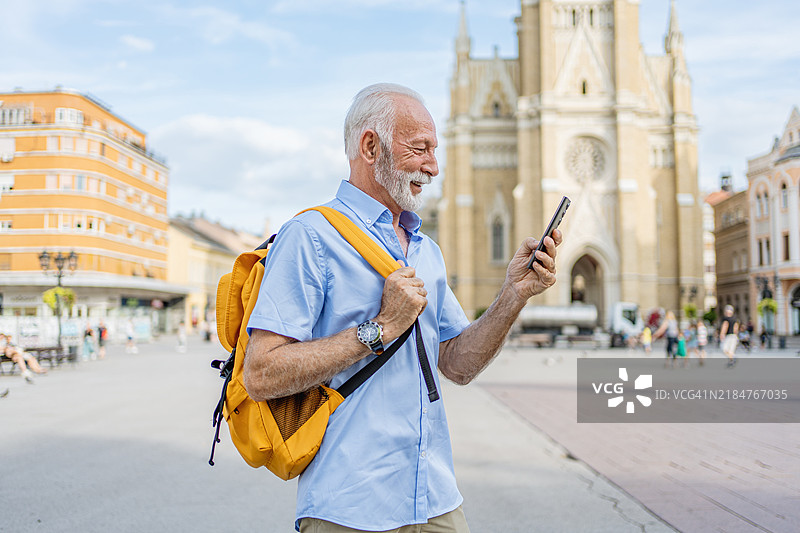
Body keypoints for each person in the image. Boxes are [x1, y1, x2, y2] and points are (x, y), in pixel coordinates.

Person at [243, 83, 561, 533]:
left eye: (435, 150)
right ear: (370, 146)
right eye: (420, 148)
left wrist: (513, 295)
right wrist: (378, 328)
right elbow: (260, 374)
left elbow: (457, 364)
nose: (433, 166)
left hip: (436, 501)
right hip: (349, 507)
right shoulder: (310, 236)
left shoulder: (426, 249)